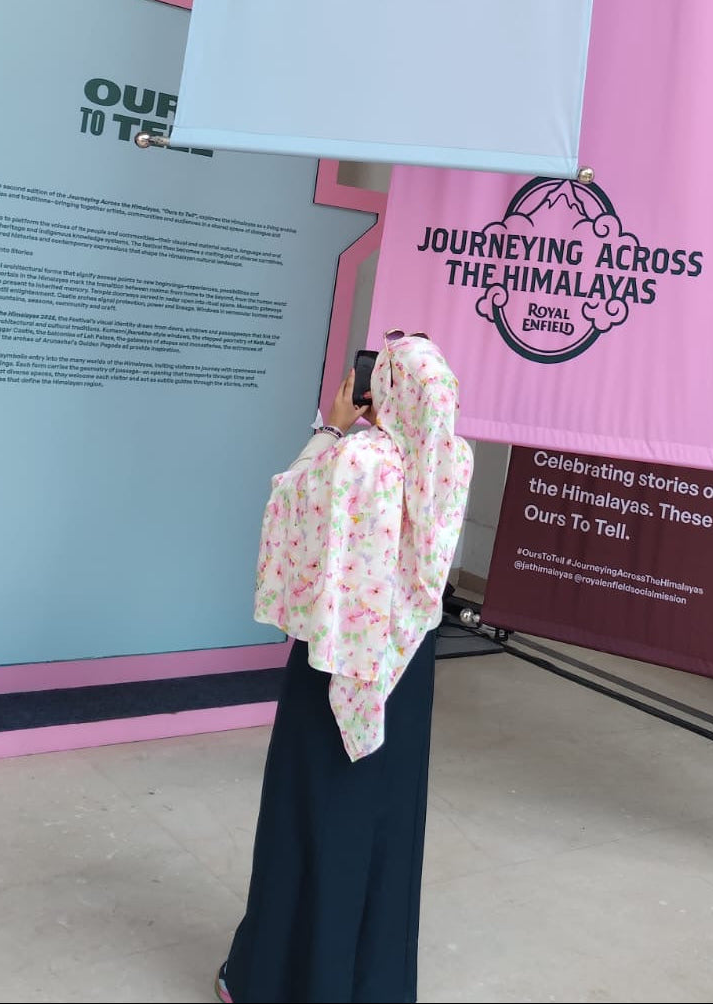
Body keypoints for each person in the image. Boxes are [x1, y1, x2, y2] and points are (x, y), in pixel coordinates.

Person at [216, 330, 473, 1004]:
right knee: (385, 825)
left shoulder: (359, 460)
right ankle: (372, 986)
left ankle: (278, 981)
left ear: (381, 387)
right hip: (407, 663)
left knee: (311, 814)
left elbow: (285, 512)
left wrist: (327, 428)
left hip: (334, 663)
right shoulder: (450, 460)